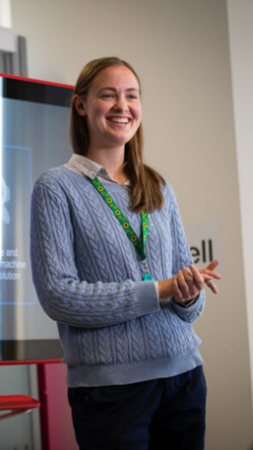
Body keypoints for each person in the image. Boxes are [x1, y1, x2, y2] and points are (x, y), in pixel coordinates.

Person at [30, 57, 221, 450]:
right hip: (111, 394)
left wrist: (189, 291)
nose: (123, 106)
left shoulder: (157, 186)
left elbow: (188, 307)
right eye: (108, 95)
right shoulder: (56, 188)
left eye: (131, 96)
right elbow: (59, 296)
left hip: (184, 377)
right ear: (81, 105)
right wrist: (161, 290)